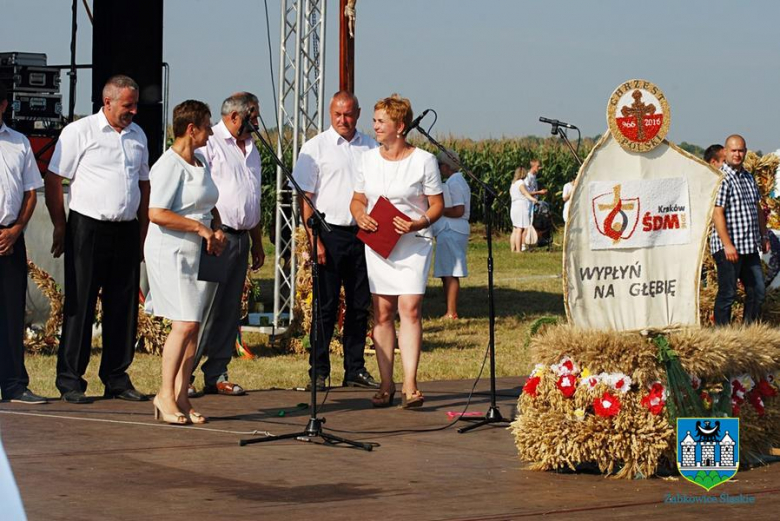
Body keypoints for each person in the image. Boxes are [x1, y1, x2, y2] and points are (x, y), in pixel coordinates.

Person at [45, 75, 150, 404]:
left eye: (135, 105)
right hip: (88, 227)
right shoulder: (79, 132)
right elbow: (53, 179)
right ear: (107, 102)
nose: (133, 111)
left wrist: (143, 231)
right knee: (81, 303)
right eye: (127, 105)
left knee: (123, 306)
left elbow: (144, 185)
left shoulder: (138, 136)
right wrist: (60, 226)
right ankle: (71, 379)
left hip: (126, 228)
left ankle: (116, 376)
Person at [350, 94, 444, 409]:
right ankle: (386, 383)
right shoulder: (367, 159)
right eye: (375, 121)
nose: (374, 126)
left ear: (400, 126)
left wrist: (419, 222)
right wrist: (359, 214)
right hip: (379, 246)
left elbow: (437, 205)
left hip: (413, 245)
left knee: (411, 308)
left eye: (380, 121)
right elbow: (358, 199)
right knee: (382, 312)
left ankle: (411, 384)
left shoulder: (424, 160)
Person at [145, 100, 225, 424]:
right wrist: (200, 228)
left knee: (194, 326)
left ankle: (181, 394)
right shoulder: (168, 164)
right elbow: (157, 213)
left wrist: (215, 230)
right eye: (207, 126)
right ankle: (164, 394)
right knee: (185, 322)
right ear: (191, 129)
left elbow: (208, 203)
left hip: (199, 252)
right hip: (170, 251)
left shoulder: (201, 161)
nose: (210, 133)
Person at [292, 91, 379, 391]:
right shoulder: (316, 147)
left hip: (364, 233)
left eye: (349, 114)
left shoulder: (371, 146)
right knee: (325, 307)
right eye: (338, 115)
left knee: (358, 305)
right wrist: (314, 240)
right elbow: (306, 198)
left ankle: (354, 368)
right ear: (331, 114)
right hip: (328, 232)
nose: (344, 120)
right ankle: (318, 370)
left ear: (358, 113)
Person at [190, 92, 265, 397]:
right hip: (216, 237)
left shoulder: (252, 149)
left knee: (230, 309)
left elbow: (253, 198)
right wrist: (212, 230)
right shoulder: (210, 142)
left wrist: (257, 242)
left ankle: (217, 372)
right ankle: (185, 373)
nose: (257, 122)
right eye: (254, 116)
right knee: (205, 308)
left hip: (243, 237)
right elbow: (198, 189)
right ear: (235, 116)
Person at [0, 83, 47, 404]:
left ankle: (15, 383)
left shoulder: (18, 143)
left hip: (8, 239)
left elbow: (31, 191)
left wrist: (16, 229)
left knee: (10, 313)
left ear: (3, 105)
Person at [710, 134, 769, 325]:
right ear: (725, 152)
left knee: (757, 290)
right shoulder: (722, 179)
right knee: (728, 293)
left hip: (749, 245)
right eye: (733, 150)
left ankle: (749, 332)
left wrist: (764, 234)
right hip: (729, 247)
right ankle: (722, 335)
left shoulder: (748, 177)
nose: (737, 154)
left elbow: (757, 207)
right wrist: (727, 245)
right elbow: (717, 213)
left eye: (741, 150)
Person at [432, 149, 471, 320]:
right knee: (447, 271)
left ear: (447, 166)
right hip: (453, 230)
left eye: (441, 166)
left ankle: (451, 311)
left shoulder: (454, 183)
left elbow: (458, 210)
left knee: (450, 272)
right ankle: (449, 307)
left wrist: (438, 210)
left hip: (451, 229)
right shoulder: (458, 181)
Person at [509, 167, 538, 252]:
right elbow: (525, 193)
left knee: (515, 228)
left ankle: (512, 249)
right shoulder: (521, 183)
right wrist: (533, 199)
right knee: (520, 229)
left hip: (514, 206)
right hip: (521, 206)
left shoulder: (513, 184)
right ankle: (518, 250)